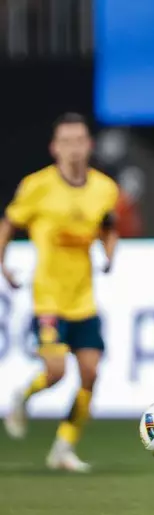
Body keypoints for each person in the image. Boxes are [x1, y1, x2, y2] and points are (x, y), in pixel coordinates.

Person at [0, 113, 119, 472]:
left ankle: (64, 447)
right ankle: (24, 396)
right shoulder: (37, 186)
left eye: (79, 140)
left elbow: (108, 226)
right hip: (49, 298)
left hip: (83, 298)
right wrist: (3, 263)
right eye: (65, 141)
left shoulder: (104, 188)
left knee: (90, 373)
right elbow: (9, 221)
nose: (73, 148)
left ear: (89, 146)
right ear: (54, 148)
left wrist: (109, 254)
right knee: (55, 372)